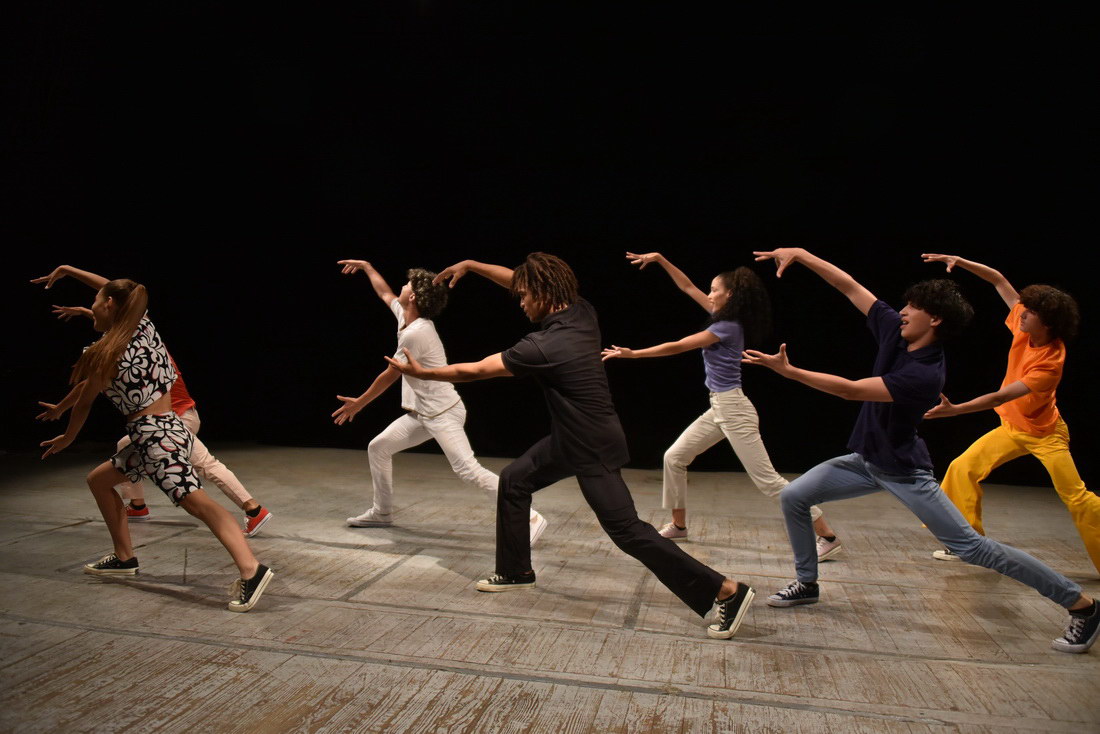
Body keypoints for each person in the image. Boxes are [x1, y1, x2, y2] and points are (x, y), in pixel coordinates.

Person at [744, 247, 1098, 654]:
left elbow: (851, 390)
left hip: (904, 473)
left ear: (935, 319)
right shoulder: (896, 330)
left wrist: (787, 371)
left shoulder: (925, 375)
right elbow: (848, 285)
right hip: (864, 461)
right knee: (794, 495)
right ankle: (807, 584)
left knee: (973, 549)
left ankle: (1082, 605)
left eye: (913, 307)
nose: (903, 311)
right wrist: (803, 255)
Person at [386, 253, 755, 640]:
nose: (521, 300)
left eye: (526, 296)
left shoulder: (542, 346)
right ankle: (515, 571)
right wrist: (474, 266)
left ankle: (727, 591)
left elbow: (476, 369)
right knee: (514, 480)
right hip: (574, 436)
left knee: (628, 531)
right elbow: (518, 280)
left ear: (544, 294)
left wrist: (424, 372)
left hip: (589, 444)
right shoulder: (582, 311)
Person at [34, 276, 273, 612]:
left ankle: (252, 570)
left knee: (200, 506)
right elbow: (128, 296)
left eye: (95, 303)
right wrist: (70, 269)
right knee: (100, 481)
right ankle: (124, 557)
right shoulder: (145, 330)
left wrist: (67, 437)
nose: (91, 309)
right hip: (163, 430)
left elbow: (85, 401)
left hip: (154, 439)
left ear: (111, 306)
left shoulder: (102, 352)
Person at [602, 251, 840, 559]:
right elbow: (687, 287)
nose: (709, 294)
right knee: (674, 457)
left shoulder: (726, 327)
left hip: (734, 410)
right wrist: (662, 259)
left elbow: (679, 345)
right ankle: (679, 525)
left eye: (715, 290)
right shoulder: (724, 317)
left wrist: (633, 354)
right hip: (720, 408)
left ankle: (828, 535)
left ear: (730, 295)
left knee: (768, 482)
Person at [333, 260, 546, 545]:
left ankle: (530, 516)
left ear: (413, 297)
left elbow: (390, 374)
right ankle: (382, 513)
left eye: (407, 285)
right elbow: (384, 294)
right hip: (422, 414)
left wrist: (360, 402)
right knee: (379, 447)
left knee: (468, 470)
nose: (402, 286)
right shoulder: (406, 318)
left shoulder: (417, 332)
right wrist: (368, 268)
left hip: (443, 413)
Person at [920, 254, 1100, 573]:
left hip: (1046, 434)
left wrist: (956, 409)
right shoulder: (1026, 329)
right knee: (962, 469)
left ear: (1048, 323)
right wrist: (959, 261)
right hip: (1012, 428)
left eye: (1029, 313)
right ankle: (967, 543)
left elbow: (1003, 395)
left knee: (1077, 498)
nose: (1022, 315)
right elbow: (999, 280)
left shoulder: (1050, 362)